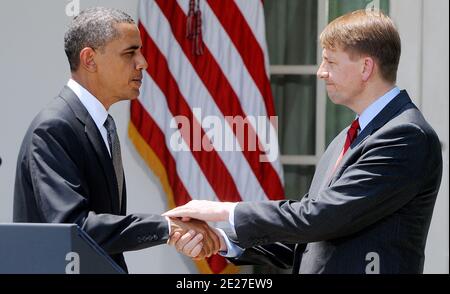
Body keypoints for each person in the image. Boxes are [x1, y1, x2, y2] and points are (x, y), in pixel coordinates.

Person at [164, 9, 443, 274]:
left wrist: (223, 210)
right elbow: (309, 238)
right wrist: (223, 240)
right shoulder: (347, 138)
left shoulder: (404, 136)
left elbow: (321, 218)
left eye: (330, 61)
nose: (320, 72)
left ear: (366, 67)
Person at [13, 7, 219, 272]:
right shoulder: (54, 128)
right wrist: (166, 227)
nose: (143, 62)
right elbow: (75, 228)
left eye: (140, 51)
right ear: (89, 59)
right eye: (129, 53)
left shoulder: (101, 125)